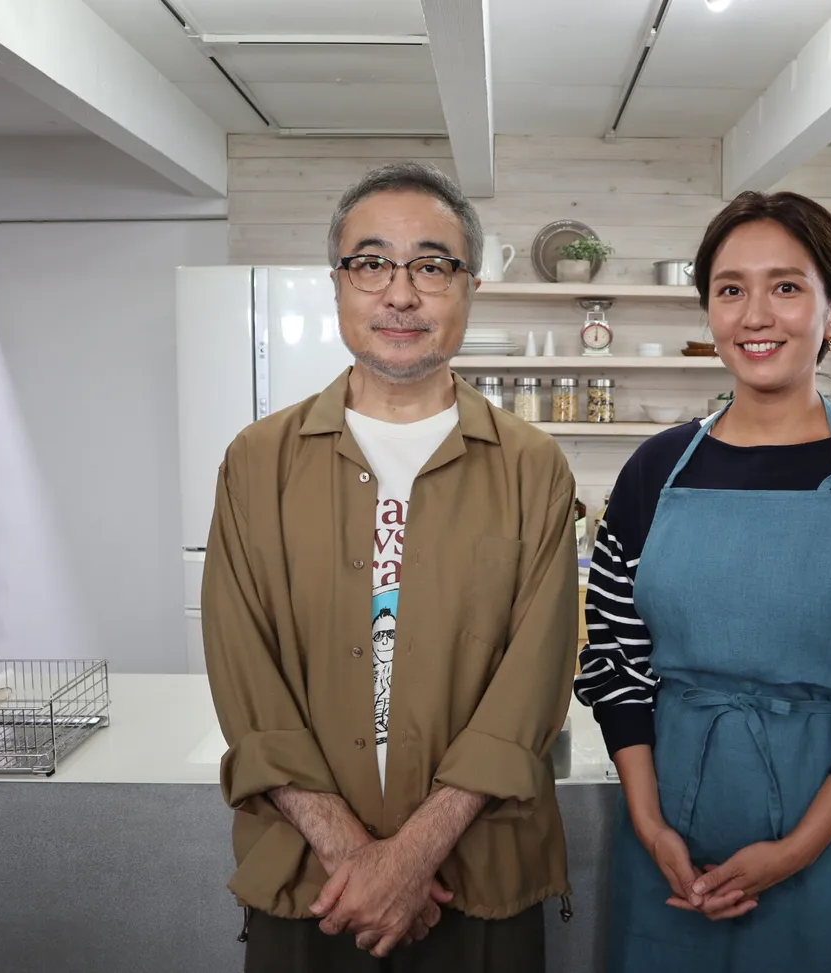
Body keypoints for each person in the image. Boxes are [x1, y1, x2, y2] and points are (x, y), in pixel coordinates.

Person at [201, 161, 579, 973]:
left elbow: (533, 685)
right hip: (309, 881)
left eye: (431, 265)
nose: (400, 294)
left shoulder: (531, 466)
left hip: (477, 877)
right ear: (339, 284)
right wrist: (351, 853)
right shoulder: (257, 461)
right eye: (371, 263)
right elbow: (244, 675)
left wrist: (411, 856)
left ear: (468, 288)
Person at [574, 190, 831, 972]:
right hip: (667, 848)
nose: (756, 314)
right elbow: (614, 662)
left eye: (787, 286)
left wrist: (793, 850)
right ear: (709, 311)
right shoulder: (654, 471)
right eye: (730, 289)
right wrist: (650, 825)